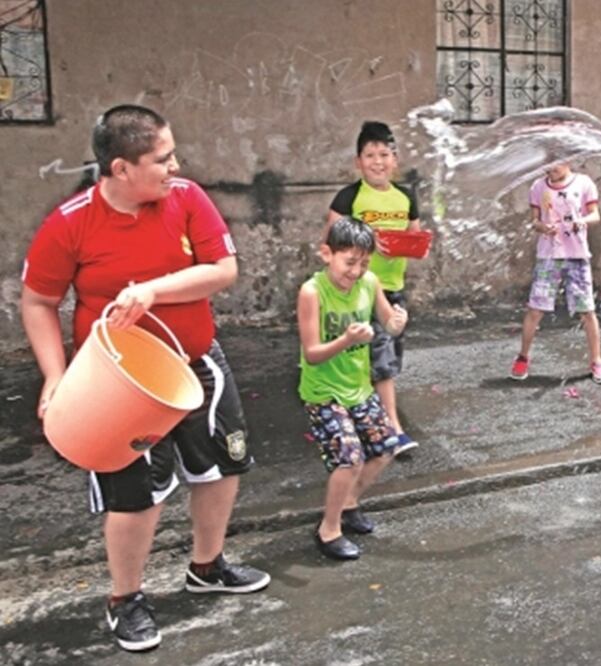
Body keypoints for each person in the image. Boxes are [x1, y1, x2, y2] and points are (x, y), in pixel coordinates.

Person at [20, 104, 270, 653]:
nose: (174, 166)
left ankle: (207, 566)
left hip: (197, 361)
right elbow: (38, 301)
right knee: (133, 494)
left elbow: (223, 270)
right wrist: (53, 376)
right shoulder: (70, 223)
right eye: (162, 158)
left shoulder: (186, 199)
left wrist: (153, 290)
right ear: (120, 170)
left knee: (222, 467)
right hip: (118, 383)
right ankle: (125, 599)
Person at [298, 217, 407, 560]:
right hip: (323, 391)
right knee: (349, 459)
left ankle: (348, 503)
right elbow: (312, 354)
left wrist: (397, 322)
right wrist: (346, 339)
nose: (356, 271)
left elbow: (388, 322)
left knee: (386, 448)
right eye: (349, 262)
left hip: (358, 388)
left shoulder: (370, 283)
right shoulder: (312, 292)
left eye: (363, 263)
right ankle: (329, 529)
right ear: (326, 253)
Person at [327, 121, 421, 455]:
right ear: (358, 161)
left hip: (393, 289)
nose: (377, 161)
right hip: (356, 291)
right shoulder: (349, 197)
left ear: (395, 160)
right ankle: (392, 428)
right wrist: (367, 243)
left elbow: (414, 238)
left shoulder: (405, 197)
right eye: (370, 155)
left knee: (385, 356)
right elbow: (332, 244)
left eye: (384, 154)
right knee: (377, 359)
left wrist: (415, 244)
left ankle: (363, 416)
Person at [510, 162, 601, 384]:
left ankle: (597, 361)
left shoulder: (584, 183)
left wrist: (581, 221)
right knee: (535, 309)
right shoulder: (538, 187)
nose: (549, 171)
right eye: (547, 168)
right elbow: (535, 220)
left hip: (577, 256)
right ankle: (523, 357)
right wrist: (542, 227)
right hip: (548, 256)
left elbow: (595, 215)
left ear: (568, 162)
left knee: (587, 311)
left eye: (554, 167)